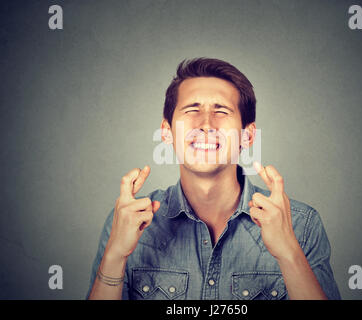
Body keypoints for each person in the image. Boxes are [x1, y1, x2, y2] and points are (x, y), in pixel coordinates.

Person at [86, 58, 341, 300]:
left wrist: (288, 253)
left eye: (221, 111)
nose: (206, 124)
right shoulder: (127, 222)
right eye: (191, 109)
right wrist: (115, 255)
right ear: (167, 132)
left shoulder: (301, 225)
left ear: (247, 136)